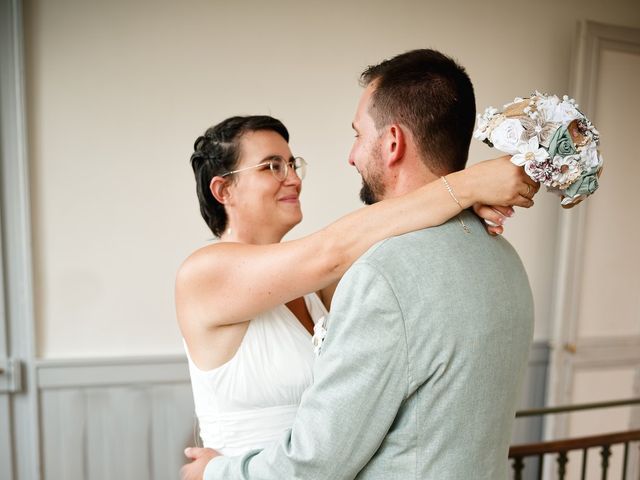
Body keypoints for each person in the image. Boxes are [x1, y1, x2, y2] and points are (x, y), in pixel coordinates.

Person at [181, 49, 536, 480]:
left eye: (292, 164)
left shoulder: (321, 280)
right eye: (272, 166)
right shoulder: (204, 273)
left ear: (391, 142)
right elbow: (336, 249)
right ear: (224, 191)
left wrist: (458, 209)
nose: (293, 177)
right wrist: (465, 185)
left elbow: (367, 249)